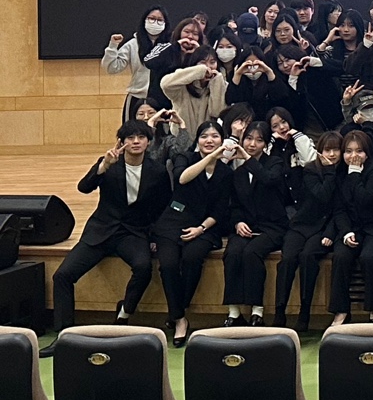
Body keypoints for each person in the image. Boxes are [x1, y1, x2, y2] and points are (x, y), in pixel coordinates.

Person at [43, 120, 170, 355]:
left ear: (148, 142)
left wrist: (155, 235)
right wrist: (102, 167)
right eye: (130, 138)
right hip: (101, 231)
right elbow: (83, 187)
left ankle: (124, 314)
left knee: (144, 267)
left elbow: (163, 206)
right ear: (121, 142)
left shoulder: (158, 171)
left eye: (141, 137)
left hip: (133, 233)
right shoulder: (110, 163)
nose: (135, 142)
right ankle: (64, 336)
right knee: (62, 275)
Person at [156, 119, 233, 346]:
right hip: (173, 221)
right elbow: (182, 178)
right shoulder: (185, 158)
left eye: (215, 136)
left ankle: (176, 311)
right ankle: (180, 319)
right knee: (168, 264)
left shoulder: (225, 172)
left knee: (192, 258)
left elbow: (220, 210)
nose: (210, 140)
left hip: (205, 226)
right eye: (204, 136)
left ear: (222, 140)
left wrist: (201, 229)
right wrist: (210, 157)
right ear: (197, 140)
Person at [222, 121, 292, 326]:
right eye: (248, 139)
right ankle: (234, 312)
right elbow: (234, 204)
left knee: (252, 253)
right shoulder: (238, 173)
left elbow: (269, 179)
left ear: (266, 144)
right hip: (246, 226)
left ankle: (257, 310)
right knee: (232, 253)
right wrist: (238, 222)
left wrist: (247, 158)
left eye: (259, 140)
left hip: (272, 226)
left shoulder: (275, 163)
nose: (252, 144)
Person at [272, 131, 342, 331]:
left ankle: (305, 312)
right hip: (301, 224)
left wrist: (330, 233)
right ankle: (279, 311)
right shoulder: (311, 169)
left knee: (308, 257)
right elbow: (320, 194)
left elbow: (339, 208)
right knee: (287, 260)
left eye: (336, 150)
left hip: (324, 227)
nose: (331, 154)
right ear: (320, 151)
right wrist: (329, 171)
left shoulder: (345, 173)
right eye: (327, 150)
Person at [328, 128, 373, 327]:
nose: (353, 156)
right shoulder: (339, 173)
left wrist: (354, 174)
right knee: (340, 256)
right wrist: (346, 232)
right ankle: (341, 311)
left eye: (359, 151)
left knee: (369, 258)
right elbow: (339, 209)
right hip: (351, 227)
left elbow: (366, 200)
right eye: (348, 151)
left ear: (367, 152)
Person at [102, 6, 170, 120]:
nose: (155, 22)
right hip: (137, 97)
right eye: (151, 18)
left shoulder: (170, 45)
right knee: (132, 130)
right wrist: (112, 46)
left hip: (163, 98)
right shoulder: (133, 44)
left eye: (159, 20)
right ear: (144, 21)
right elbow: (111, 68)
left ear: (165, 23)